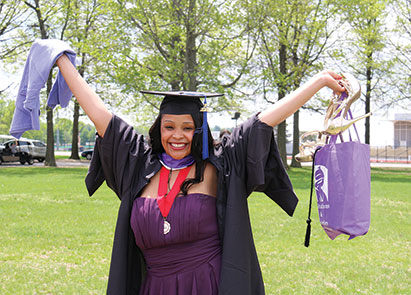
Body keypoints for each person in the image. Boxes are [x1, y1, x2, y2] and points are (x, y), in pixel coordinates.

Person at [55, 53, 344, 295]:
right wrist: (61, 61)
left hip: (208, 284)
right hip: (154, 287)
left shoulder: (219, 164)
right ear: (159, 128)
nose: (177, 135)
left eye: (187, 127)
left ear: (199, 131)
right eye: (169, 126)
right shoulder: (139, 165)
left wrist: (318, 82)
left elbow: (264, 122)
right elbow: (100, 114)